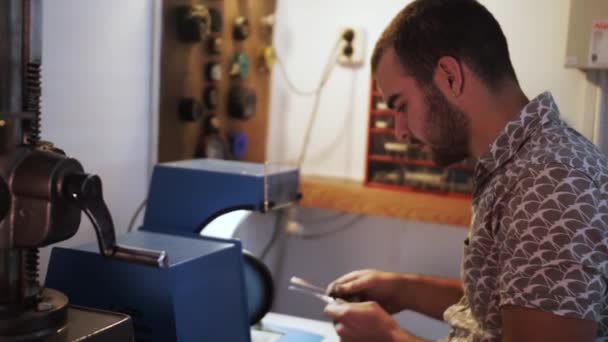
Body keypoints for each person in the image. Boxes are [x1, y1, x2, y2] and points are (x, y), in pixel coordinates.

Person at [322, 0, 608, 341]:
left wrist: (389, 337)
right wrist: (403, 290)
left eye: (401, 106)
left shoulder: (553, 182)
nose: (398, 130)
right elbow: (506, 306)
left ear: (449, 76)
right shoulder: (519, 166)